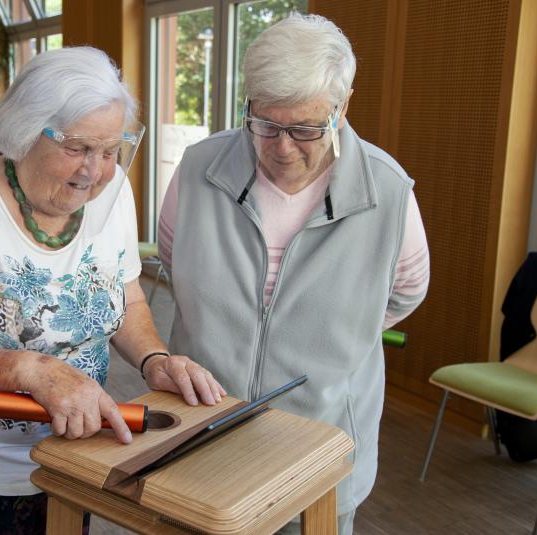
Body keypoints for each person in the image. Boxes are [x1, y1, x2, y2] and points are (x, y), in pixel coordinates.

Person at [0, 46, 225, 535]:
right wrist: (32, 369)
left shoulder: (112, 192)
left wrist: (155, 360)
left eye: (111, 151)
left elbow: (126, 297)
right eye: (78, 148)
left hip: (75, 454)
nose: (95, 171)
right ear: (25, 134)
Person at [157, 14, 430, 535]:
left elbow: (404, 292)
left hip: (317, 446)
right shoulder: (199, 169)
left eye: (305, 128)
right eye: (265, 123)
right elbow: (175, 261)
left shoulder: (388, 193)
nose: (282, 147)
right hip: (202, 436)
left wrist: (331, 331)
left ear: (343, 106)